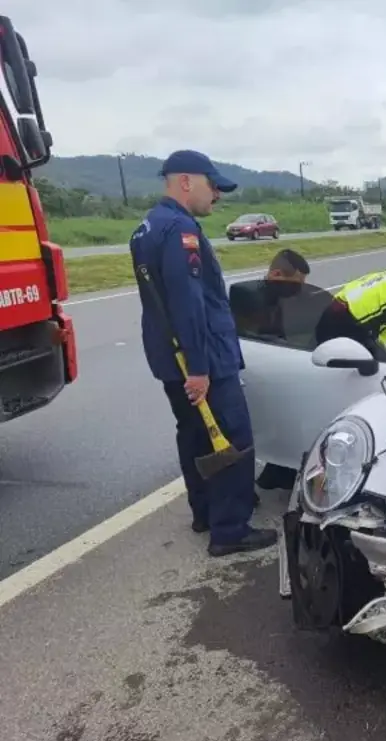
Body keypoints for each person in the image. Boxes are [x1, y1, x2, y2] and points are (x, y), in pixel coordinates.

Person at [129, 149, 276, 556]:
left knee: (193, 433)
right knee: (232, 439)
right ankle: (230, 529)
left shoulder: (147, 227)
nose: (217, 196)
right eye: (213, 186)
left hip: (169, 357)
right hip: (202, 357)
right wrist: (199, 366)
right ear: (186, 181)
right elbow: (187, 301)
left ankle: (206, 512)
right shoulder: (180, 231)